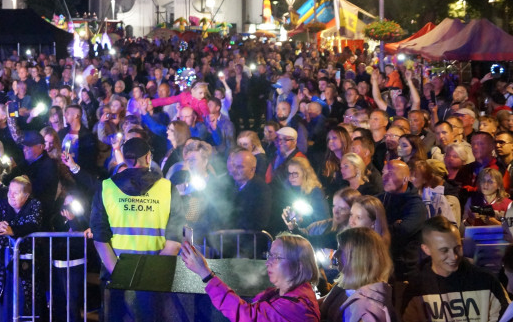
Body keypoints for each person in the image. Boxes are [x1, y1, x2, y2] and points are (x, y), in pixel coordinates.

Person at [90, 137, 184, 321]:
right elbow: (174, 241)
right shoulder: (167, 188)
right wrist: (151, 274)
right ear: (148, 157)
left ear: (124, 159)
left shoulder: (106, 188)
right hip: (155, 275)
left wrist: (118, 273)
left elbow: (100, 238)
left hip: (116, 274)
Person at [179, 233, 320, 322]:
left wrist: (206, 274)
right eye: (269, 255)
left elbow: (247, 316)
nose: (268, 262)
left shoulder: (296, 307)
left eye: (276, 257)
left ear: (299, 266)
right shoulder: (286, 295)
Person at [401, 216, 510, 322]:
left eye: (457, 248)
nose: (454, 256)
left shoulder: (486, 281)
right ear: (426, 249)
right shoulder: (416, 289)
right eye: (444, 250)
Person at [0, 175, 45, 322]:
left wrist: (12, 230)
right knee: (3, 298)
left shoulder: (34, 204)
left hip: (27, 263)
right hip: (2, 262)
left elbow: (33, 224)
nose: (11, 195)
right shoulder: (1, 204)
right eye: (10, 191)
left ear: (26, 195)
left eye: (16, 192)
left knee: (26, 299)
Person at [319, 227, 395, 322]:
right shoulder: (345, 287)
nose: (335, 254)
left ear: (358, 257)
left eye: (341, 250)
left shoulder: (368, 309)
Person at [381, 159, 428, 280]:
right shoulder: (383, 198)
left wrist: (379, 226)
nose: (384, 177)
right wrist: (393, 225)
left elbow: (401, 232)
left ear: (406, 179)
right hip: (384, 267)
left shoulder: (415, 206)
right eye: (383, 173)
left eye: (390, 173)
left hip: (405, 273)